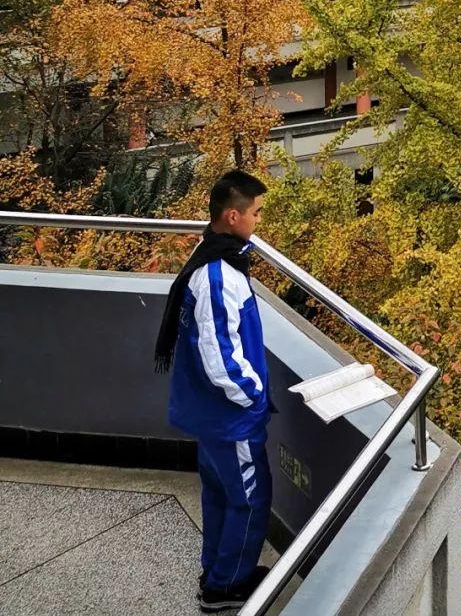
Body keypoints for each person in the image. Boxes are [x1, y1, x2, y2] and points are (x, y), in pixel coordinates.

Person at [155, 171, 272, 614]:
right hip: (230, 418)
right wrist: (254, 395)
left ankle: (219, 570)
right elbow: (219, 353)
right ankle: (226, 589)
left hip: (209, 414)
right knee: (250, 497)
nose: (259, 221)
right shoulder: (220, 276)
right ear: (233, 216)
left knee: (220, 493)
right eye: (256, 213)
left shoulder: (207, 257)